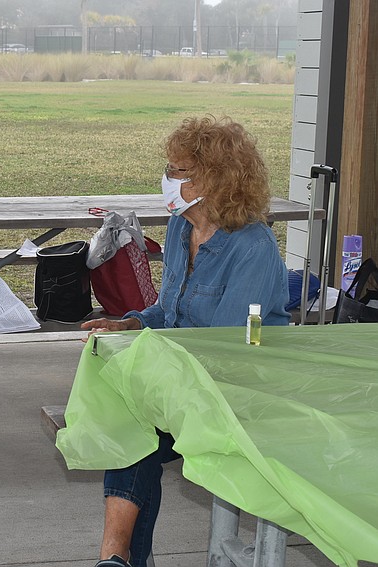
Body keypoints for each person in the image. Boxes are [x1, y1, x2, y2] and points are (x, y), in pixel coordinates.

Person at [80, 115, 291, 567]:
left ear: (214, 181)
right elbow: (168, 311)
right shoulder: (180, 228)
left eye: (178, 172)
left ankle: (117, 558)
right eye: (170, 168)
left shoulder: (253, 246)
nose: (167, 180)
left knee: (132, 423)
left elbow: (226, 345)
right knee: (130, 423)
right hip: (185, 376)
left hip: (236, 385)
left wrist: (155, 367)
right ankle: (116, 557)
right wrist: (129, 324)